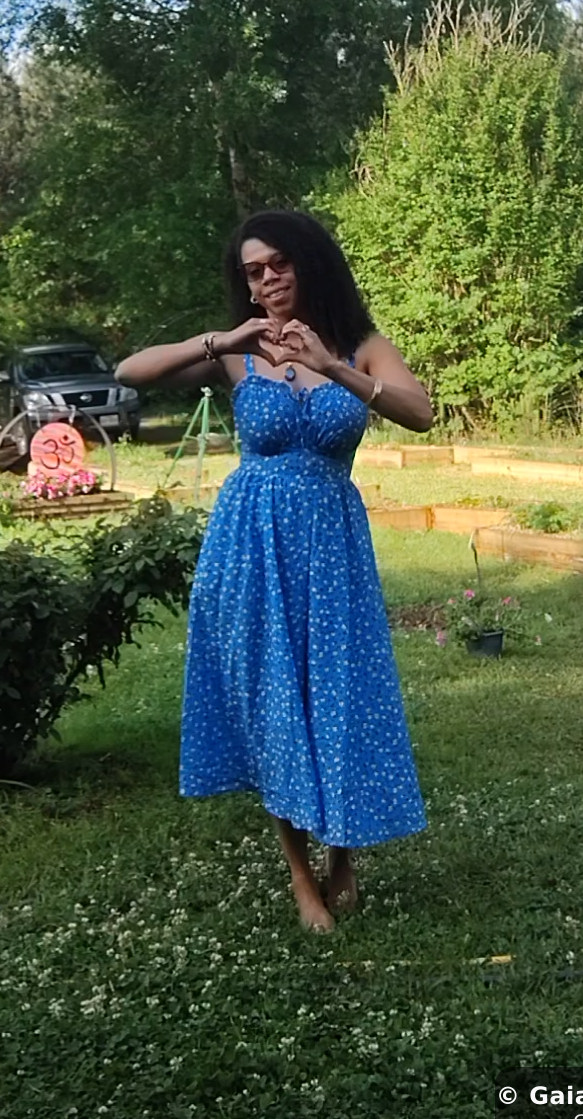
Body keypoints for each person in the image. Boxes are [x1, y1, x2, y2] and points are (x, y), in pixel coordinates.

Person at [115, 208, 432, 932]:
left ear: (309, 262)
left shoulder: (361, 344)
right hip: (250, 547)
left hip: (333, 548)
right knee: (275, 704)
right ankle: (301, 878)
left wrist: (333, 370)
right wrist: (222, 339)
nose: (266, 280)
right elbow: (129, 370)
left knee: (340, 696)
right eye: (253, 271)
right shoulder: (236, 351)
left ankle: (343, 856)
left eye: (278, 263)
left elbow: (421, 410)